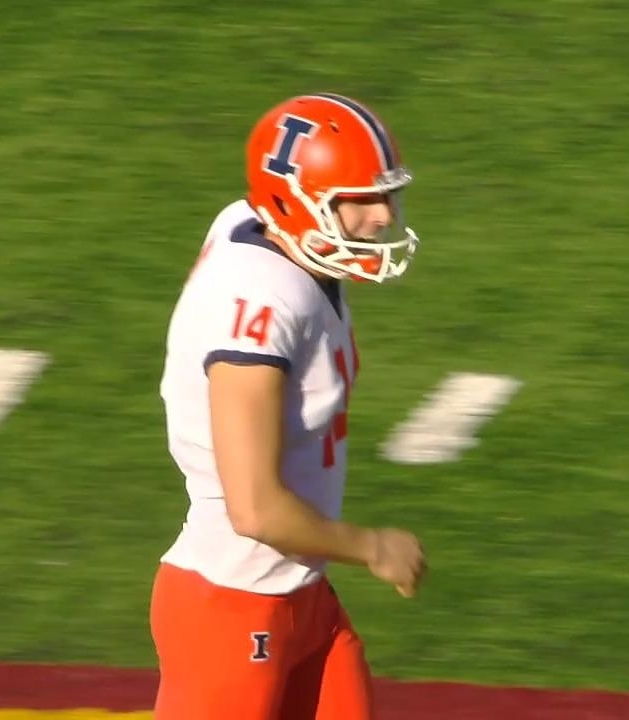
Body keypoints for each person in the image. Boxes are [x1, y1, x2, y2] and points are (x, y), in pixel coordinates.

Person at [151, 93, 428, 720]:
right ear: (296, 202)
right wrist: (372, 547)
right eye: (360, 198)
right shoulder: (261, 301)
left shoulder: (263, 232)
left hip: (300, 595)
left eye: (385, 194)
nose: (383, 215)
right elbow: (255, 508)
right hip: (231, 607)